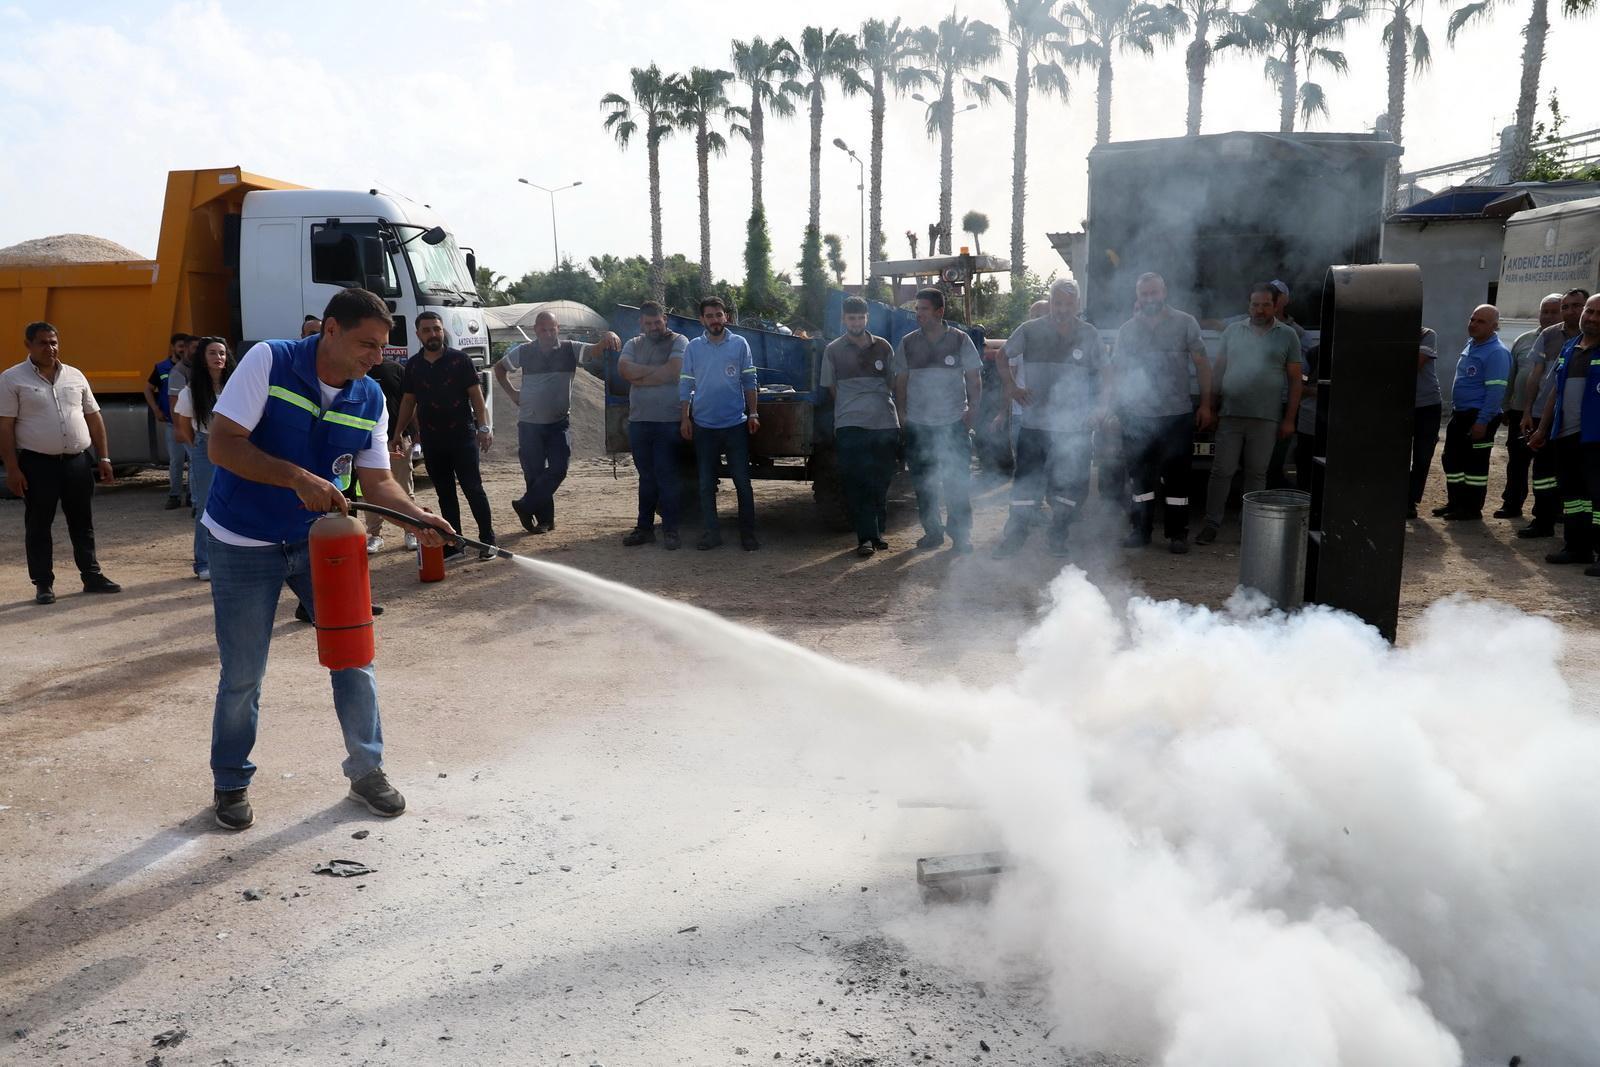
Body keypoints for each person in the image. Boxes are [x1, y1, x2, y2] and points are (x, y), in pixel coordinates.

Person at [201, 288, 449, 831]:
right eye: (367, 344)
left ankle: (367, 771)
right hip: (242, 539)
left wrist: (416, 517)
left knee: (353, 659)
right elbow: (222, 444)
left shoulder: (371, 397)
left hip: (322, 545)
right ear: (330, 330)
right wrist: (297, 478)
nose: (375, 358)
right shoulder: (269, 361)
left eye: (382, 347)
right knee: (243, 672)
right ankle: (231, 782)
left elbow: (377, 481)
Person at [0, 322, 122, 604]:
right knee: (39, 525)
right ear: (28, 345)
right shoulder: (11, 379)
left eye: (54, 342)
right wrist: (12, 468)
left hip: (77, 462)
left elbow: (94, 417)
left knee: (82, 522)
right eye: (43, 343)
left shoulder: (75, 376)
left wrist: (104, 457)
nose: (50, 348)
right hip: (37, 465)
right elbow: (5, 427)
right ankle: (43, 583)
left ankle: (92, 575)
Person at [992, 279, 1108, 559]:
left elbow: (1107, 372)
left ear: (1077, 305)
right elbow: (1002, 356)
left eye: (1068, 304)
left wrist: (1101, 407)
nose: (1062, 309)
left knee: (1069, 485)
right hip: (1034, 425)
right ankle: (1015, 536)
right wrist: (1012, 387)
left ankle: (1058, 535)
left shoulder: (1089, 334)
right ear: (1050, 301)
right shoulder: (1030, 330)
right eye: (1057, 303)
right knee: (1026, 482)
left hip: (1075, 428)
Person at [1109, 272, 1214, 553]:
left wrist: (1206, 404)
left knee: (1177, 477)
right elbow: (1116, 372)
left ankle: (1177, 535)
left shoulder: (1185, 323)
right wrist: (1114, 408)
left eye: (1153, 292)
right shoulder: (1127, 330)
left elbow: (1202, 365)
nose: (1149, 298)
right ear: (1138, 297)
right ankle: (1140, 531)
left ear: (1164, 292)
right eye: (1144, 294)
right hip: (1136, 416)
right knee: (1140, 477)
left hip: (1176, 415)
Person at [494, 311, 619, 535]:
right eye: (543, 330)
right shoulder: (524, 351)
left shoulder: (569, 349)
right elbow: (499, 368)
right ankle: (545, 521)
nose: (548, 334)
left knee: (559, 468)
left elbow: (594, 350)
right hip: (529, 424)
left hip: (558, 423)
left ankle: (526, 505)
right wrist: (512, 393)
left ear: (558, 328)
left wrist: (608, 336)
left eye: (552, 329)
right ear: (536, 330)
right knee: (534, 473)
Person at [1196, 283, 1302, 545]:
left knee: (1256, 474)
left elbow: (1295, 381)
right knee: (1222, 471)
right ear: (1248, 305)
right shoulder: (1233, 331)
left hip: (1267, 418)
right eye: (1255, 304)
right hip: (1231, 414)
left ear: (1276, 305)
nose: (1260, 310)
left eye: (1266, 305)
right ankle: (1211, 524)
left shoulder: (1288, 335)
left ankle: (1250, 529)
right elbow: (1218, 371)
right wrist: (1210, 406)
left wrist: (1289, 419)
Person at [393, 311, 496, 559]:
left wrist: (484, 427)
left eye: (437, 329)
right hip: (432, 440)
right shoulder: (413, 366)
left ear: (443, 331)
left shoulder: (460, 360)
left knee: (473, 489)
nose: (433, 334)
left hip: (462, 436)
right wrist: (398, 432)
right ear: (418, 334)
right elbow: (408, 401)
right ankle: (454, 544)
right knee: (445, 493)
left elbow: (476, 396)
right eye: (427, 330)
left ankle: (487, 541)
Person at [892, 288, 982, 554]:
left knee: (957, 482)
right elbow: (901, 380)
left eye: (924, 309)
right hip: (919, 425)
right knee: (923, 484)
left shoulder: (960, 339)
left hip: (954, 423)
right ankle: (932, 533)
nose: (918, 314)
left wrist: (972, 411)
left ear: (939, 311)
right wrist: (902, 413)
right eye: (917, 309)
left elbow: (974, 378)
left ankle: (961, 536)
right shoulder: (908, 342)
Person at [821, 296, 900, 556]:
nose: (856, 322)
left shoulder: (884, 347)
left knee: (881, 479)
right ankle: (866, 538)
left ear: (867, 318)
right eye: (851, 318)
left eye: (860, 318)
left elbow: (892, 382)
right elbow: (832, 387)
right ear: (844, 319)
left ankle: (877, 530)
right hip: (850, 424)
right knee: (858, 481)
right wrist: (851, 406)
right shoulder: (833, 349)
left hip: (885, 422)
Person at [680, 296, 760, 551]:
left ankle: (748, 534)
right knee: (706, 484)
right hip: (704, 426)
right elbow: (685, 383)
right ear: (702, 319)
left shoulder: (739, 344)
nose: (715, 320)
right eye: (709, 316)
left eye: (718, 315)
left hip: (735, 424)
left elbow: (749, 380)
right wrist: (685, 417)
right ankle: (711, 534)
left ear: (726, 317)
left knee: (742, 483)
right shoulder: (693, 348)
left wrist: (754, 413)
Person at [1531, 292, 1600, 567]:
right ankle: (1577, 548)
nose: (1592, 317)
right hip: (1566, 437)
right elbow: (1555, 392)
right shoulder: (1570, 347)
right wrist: (1542, 429)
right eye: (1590, 312)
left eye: (1598, 314)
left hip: (1595, 439)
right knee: (1573, 496)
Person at [1518, 289, 1587, 540]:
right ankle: (1543, 520)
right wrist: (1527, 410)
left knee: (1577, 476)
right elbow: (1536, 375)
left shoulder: (1591, 339)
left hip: (1581, 420)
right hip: (1545, 414)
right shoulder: (1550, 336)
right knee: (1543, 471)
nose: (1570, 311)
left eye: (1577, 306)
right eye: (1565, 307)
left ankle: (1579, 531)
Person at [619, 301, 688, 549]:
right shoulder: (633, 343)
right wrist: (657, 373)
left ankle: (671, 530)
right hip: (639, 422)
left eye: (657, 322)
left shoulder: (679, 341)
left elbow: (674, 372)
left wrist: (640, 377)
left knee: (666, 476)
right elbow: (624, 370)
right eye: (648, 323)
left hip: (668, 421)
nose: (654, 327)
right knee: (646, 478)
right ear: (641, 323)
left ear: (665, 319)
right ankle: (644, 529)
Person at [1434, 305, 1511, 521]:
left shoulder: (1496, 352)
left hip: (1479, 416)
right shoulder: (1472, 344)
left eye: (1481, 321)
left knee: (1474, 465)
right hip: (1461, 414)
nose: (1473, 324)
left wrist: (1482, 421)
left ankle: (1471, 508)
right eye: (1472, 319)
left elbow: (1496, 392)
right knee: (1452, 459)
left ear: (1494, 326)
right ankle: (1455, 502)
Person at [173, 336, 236, 580]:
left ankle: (232, 559)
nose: (218, 357)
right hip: (206, 447)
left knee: (236, 502)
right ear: (202, 357)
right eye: (212, 353)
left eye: (222, 353)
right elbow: (183, 427)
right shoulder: (191, 391)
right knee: (206, 506)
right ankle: (203, 563)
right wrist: (200, 448)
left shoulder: (237, 386)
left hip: (236, 447)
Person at [1497, 295, 1562, 521]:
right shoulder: (1524, 340)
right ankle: (1512, 503)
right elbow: (1512, 375)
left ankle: (1548, 509)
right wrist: (1505, 406)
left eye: (1554, 311)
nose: (1549, 316)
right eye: (1545, 311)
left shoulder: (1569, 340)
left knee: (1549, 465)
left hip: (1550, 413)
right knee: (1517, 461)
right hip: (1520, 411)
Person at [360, 347, 415, 553]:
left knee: (403, 486)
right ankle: (375, 535)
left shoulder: (396, 369)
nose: (376, 351)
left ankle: (411, 530)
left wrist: (406, 432)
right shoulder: (358, 370)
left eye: (380, 346)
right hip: (367, 441)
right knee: (369, 490)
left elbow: (409, 402)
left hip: (396, 438)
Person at [145, 333, 190, 509]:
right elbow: (148, 389)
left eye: (186, 346)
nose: (183, 350)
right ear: (173, 347)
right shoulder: (161, 368)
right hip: (173, 422)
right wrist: (156, 409)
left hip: (191, 422)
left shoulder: (193, 367)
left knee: (194, 462)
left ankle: (192, 496)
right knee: (176, 461)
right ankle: (174, 495)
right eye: (180, 346)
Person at [1408, 328, 1443, 519]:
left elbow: (1416, 364)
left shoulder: (1426, 334)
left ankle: (1410, 500)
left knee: (1422, 455)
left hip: (1427, 405)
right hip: (1398, 405)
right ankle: (1400, 497)